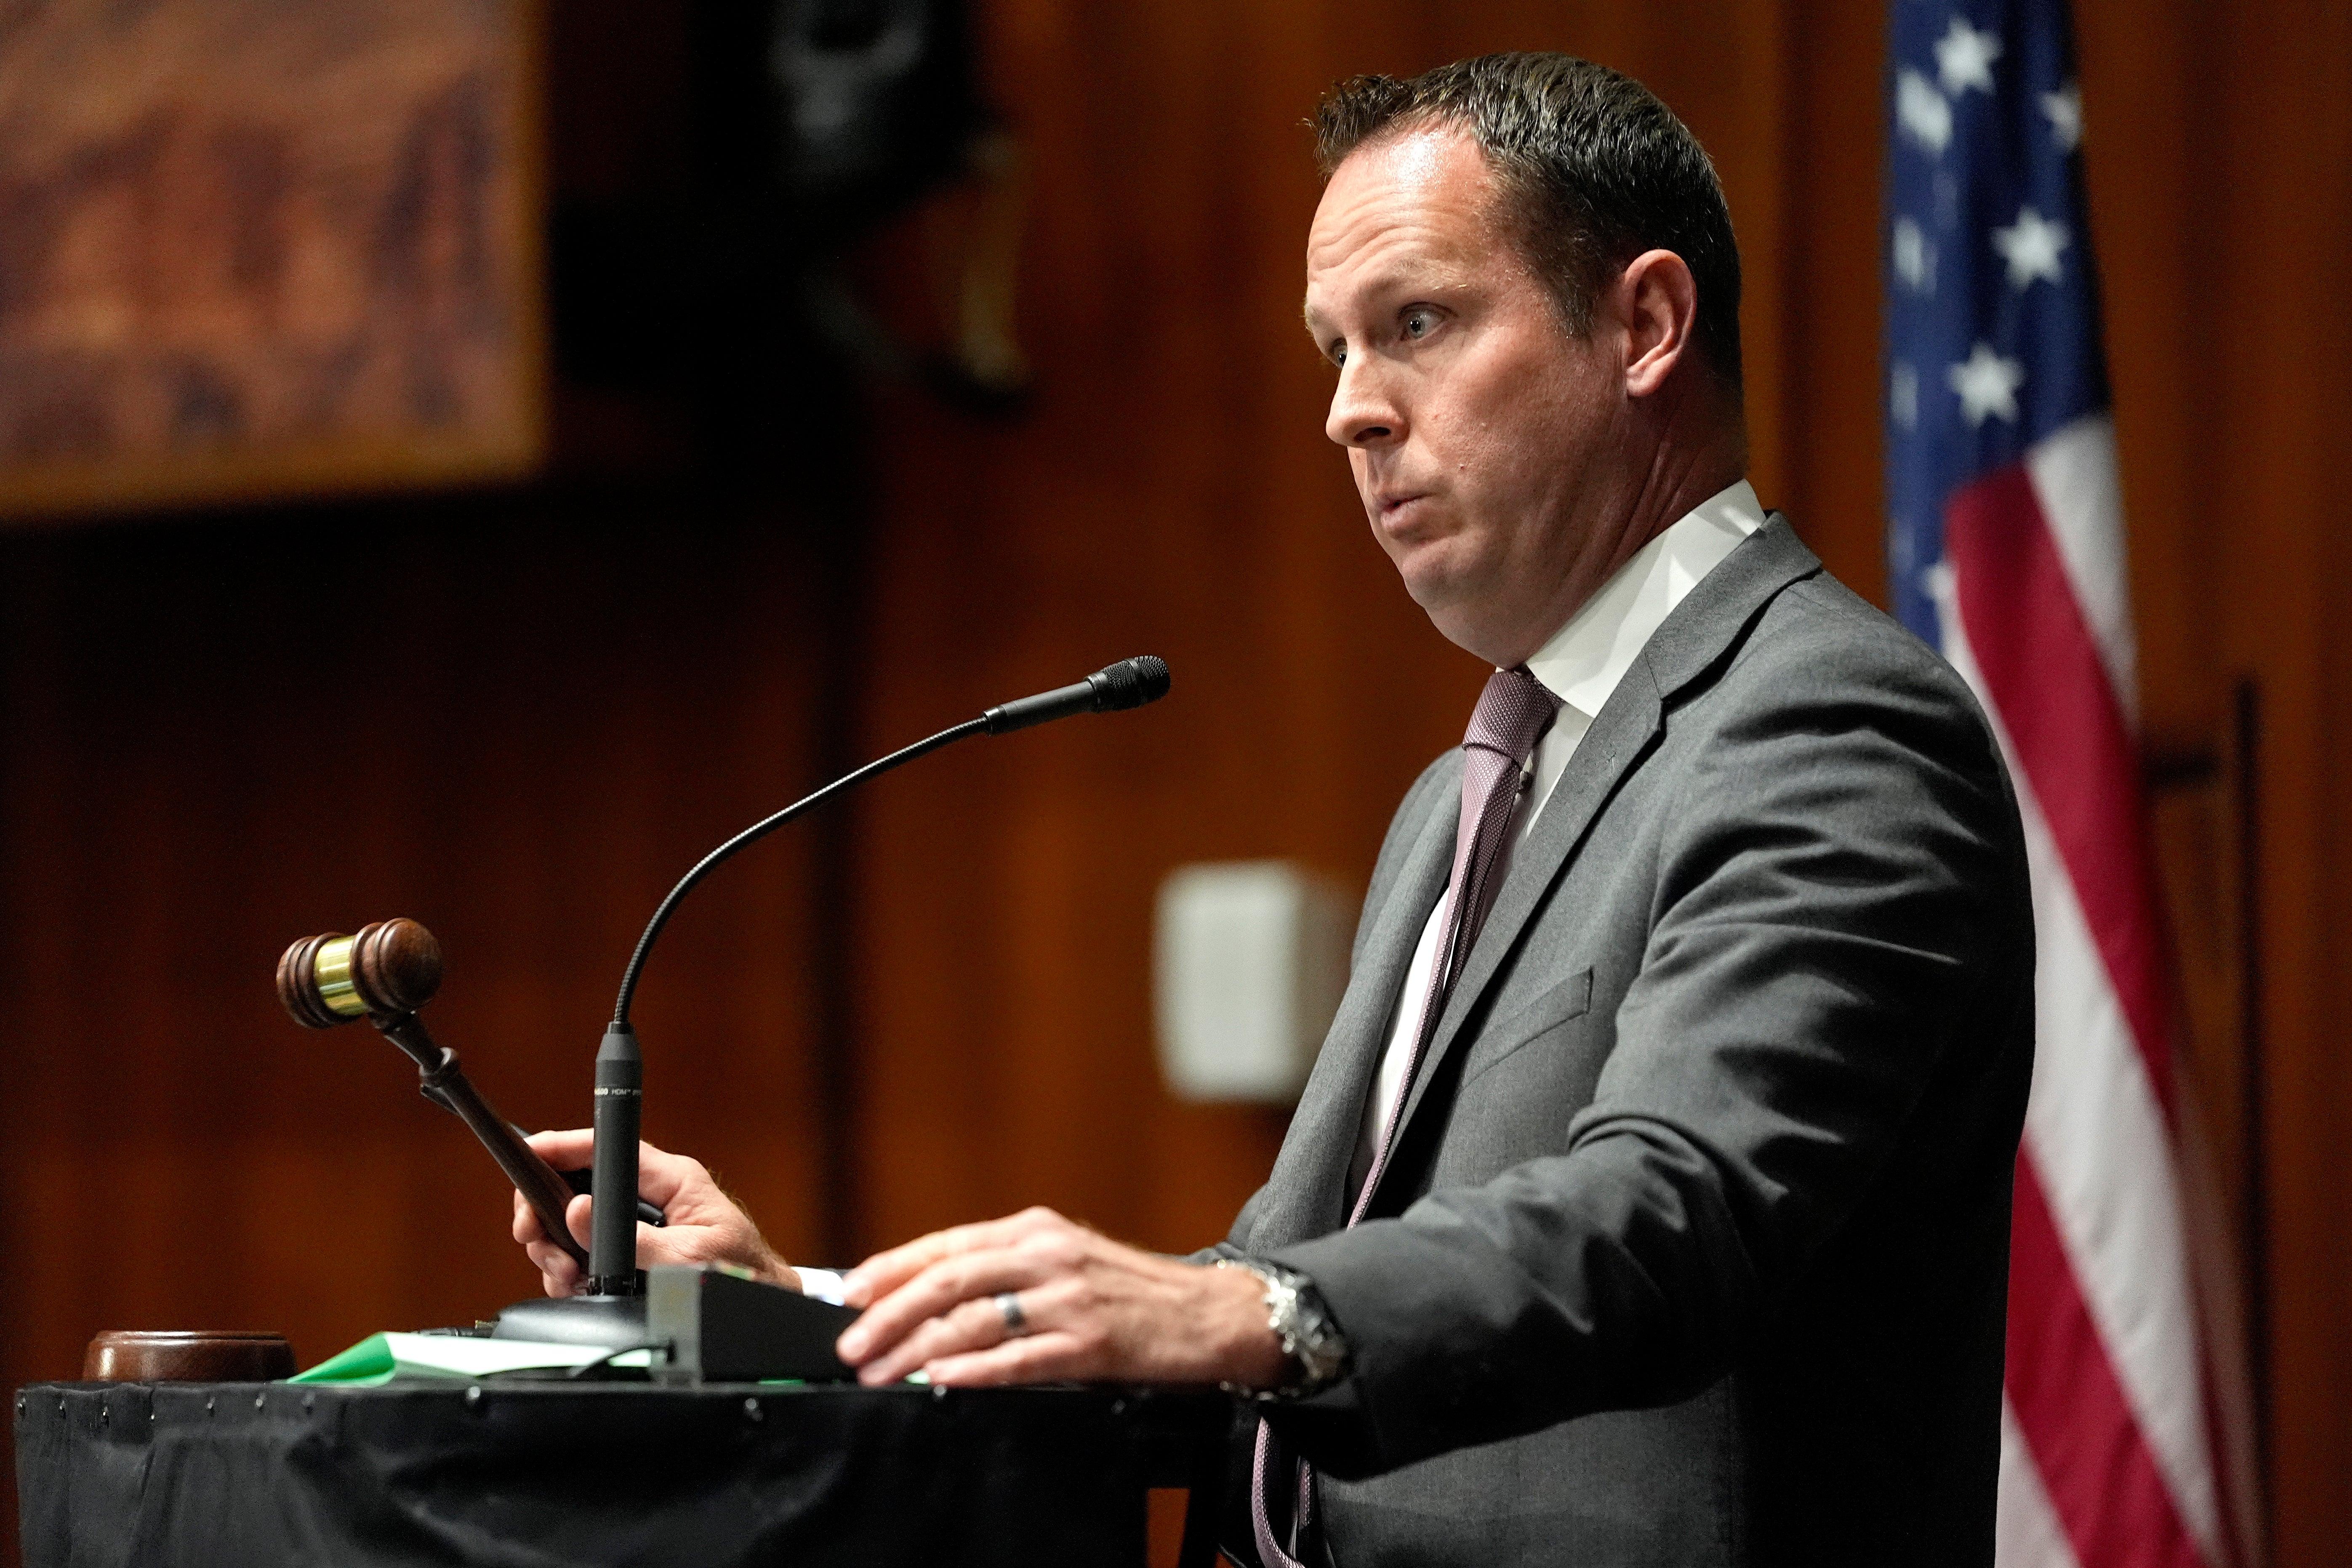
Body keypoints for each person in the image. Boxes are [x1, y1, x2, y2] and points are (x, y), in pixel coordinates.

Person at [515, 53, 2032, 1568]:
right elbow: (1275, 1306)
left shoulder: (1822, 723)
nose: (1349, 416)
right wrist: (806, 1313)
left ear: (1642, 325)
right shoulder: (1458, 802)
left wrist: (1242, 1308)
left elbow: (1671, 1217)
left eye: (1416, 325)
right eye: (1333, 350)